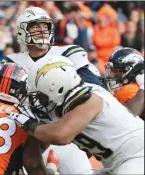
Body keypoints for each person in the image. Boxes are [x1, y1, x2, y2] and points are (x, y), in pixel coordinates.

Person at [0, 7, 98, 174]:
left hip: (67, 136)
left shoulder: (69, 53)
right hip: (29, 139)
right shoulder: (12, 62)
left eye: (45, 26)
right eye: (35, 27)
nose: (42, 31)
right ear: (22, 30)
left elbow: (96, 91)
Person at [8, 55, 144, 174]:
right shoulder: (59, 107)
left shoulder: (90, 97)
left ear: (57, 87)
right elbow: (33, 155)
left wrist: (29, 125)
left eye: (40, 95)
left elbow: (60, 135)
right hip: (117, 163)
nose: (38, 101)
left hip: (138, 155)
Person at [104, 47, 144, 118]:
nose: (112, 75)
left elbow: (132, 116)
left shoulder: (129, 90)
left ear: (131, 70)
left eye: (117, 71)